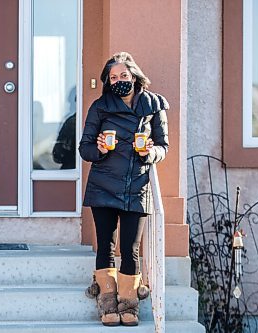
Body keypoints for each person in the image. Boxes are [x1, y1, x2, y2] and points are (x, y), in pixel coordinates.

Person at [79, 52, 169, 327]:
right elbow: (85, 149)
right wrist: (101, 149)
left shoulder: (153, 104)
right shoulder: (100, 106)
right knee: (105, 244)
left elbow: (164, 146)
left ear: (134, 76)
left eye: (124, 76)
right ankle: (108, 303)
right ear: (108, 81)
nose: (119, 81)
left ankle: (129, 304)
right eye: (114, 77)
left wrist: (151, 153)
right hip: (103, 184)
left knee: (130, 248)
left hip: (137, 185)